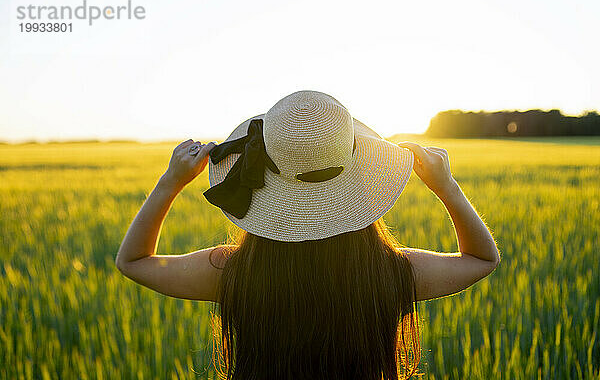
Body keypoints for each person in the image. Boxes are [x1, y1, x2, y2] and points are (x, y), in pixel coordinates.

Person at [115, 90, 500, 380]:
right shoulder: (391, 273)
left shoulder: (231, 271)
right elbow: (483, 259)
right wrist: (446, 186)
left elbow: (133, 262)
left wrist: (170, 183)